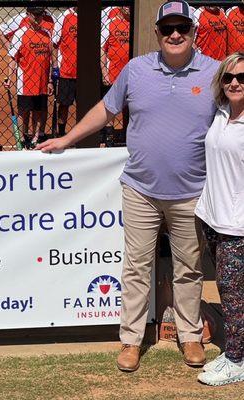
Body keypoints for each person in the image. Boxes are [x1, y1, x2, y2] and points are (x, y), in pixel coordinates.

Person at [37, 0, 220, 372]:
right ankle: (131, 341)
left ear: (193, 33)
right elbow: (107, 109)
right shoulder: (136, 70)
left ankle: (189, 336)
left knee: (189, 267)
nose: (174, 35)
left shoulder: (214, 74)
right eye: (167, 28)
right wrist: (68, 138)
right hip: (141, 190)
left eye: (181, 28)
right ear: (156, 33)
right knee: (136, 266)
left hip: (192, 191)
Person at [195, 52, 244, 386]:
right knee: (232, 290)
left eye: (241, 77)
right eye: (228, 78)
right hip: (212, 217)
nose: (235, 83)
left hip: (237, 224)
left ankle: (237, 359)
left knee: (231, 291)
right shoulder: (221, 113)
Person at [4, 6, 54, 149]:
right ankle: (24, 136)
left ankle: (37, 137)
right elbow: (13, 58)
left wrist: (50, 80)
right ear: (28, 15)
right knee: (23, 112)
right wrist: (9, 77)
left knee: (39, 111)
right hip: (25, 81)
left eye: (40, 15)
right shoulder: (20, 34)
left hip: (43, 80)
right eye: (35, 15)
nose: (38, 19)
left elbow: (49, 59)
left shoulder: (46, 34)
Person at [100, 7, 130, 147]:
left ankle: (127, 135)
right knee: (111, 106)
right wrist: (104, 72)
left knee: (130, 107)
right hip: (113, 72)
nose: (128, 8)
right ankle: (109, 137)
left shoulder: (136, 23)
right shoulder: (110, 23)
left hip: (132, 74)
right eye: (125, 5)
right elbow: (102, 49)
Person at [52, 7, 77, 138]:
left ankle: (83, 134)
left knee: (88, 105)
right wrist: (55, 66)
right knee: (64, 105)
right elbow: (54, 44)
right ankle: (61, 133)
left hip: (85, 72)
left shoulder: (93, 16)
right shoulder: (63, 17)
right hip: (66, 71)